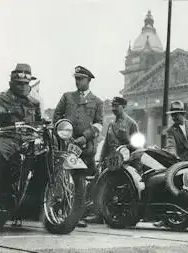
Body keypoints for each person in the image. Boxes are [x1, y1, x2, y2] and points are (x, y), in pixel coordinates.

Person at [0, 63, 42, 230]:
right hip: (7, 138)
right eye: (19, 83)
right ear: (11, 82)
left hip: (29, 139)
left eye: (26, 83)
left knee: (47, 157)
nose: (23, 87)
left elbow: (39, 123)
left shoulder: (34, 102)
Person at [53, 66, 103, 228]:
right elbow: (57, 116)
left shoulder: (97, 102)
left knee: (81, 182)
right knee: (63, 179)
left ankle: (78, 215)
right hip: (65, 144)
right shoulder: (67, 97)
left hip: (85, 147)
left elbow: (99, 125)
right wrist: (64, 133)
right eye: (76, 78)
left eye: (81, 79)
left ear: (89, 81)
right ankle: (60, 211)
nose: (77, 81)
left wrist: (84, 137)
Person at [156, 101, 188, 229]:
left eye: (176, 114)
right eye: (172, 115)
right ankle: (169, 218)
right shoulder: (171, 131)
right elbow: (170, 145)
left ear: (183, 114)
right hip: (184, 165)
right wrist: (173, 155)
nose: (173, 117)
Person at [100, 96, 138, 162]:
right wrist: (101, 160)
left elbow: (136, 145)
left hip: (124, 161)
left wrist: (124, 147)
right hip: (111, 161)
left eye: (116, 106)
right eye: (112, 106)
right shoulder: (111, 124)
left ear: (123, 106)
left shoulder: (131, 123)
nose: (113, 108)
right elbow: (106, 144)